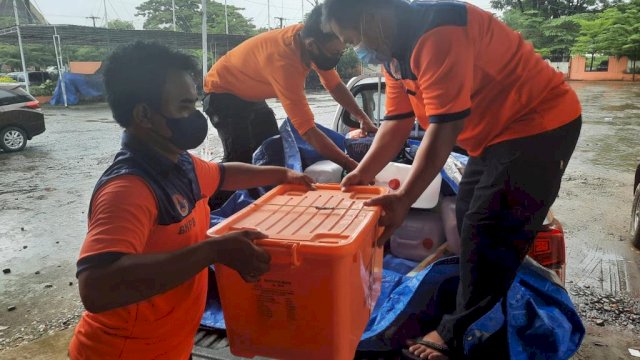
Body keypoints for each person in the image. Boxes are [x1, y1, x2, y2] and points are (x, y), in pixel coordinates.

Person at [323, 0, 582, 359]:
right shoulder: (393, 56)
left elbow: (444, 129)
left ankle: (456, 333)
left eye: (351, 38)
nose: (355, 48)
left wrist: (403, 199)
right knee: (466, 216)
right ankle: (478, 288)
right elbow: (397, 122)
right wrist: (362, 172)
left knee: (488, 224)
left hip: (539, 123)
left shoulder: (439, 31)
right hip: (494, 135)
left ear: (373, 17)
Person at [68, 42, 314, 360]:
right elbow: (96, 287)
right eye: (184, 107)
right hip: (122, 351)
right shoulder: (129, 188)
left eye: (195, 104)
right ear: (144, 114)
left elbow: (224, 174)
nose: (196, 117)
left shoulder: (180, 163)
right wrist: (213, 250)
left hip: (171, 344)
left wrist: (282, 174)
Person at [203, 5, 376, 172]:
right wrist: (350, 165)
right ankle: (213, 200)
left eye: (341, 53)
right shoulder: (285, 62)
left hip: (249, 96)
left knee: (272, 149)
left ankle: (266, 194)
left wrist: (362, 117)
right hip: (222, 94)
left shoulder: (308, 36)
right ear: (311, 46)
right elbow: (307, 130)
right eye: (334, 53)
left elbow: (335, 85)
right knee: (239, 161)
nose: (337, 57)